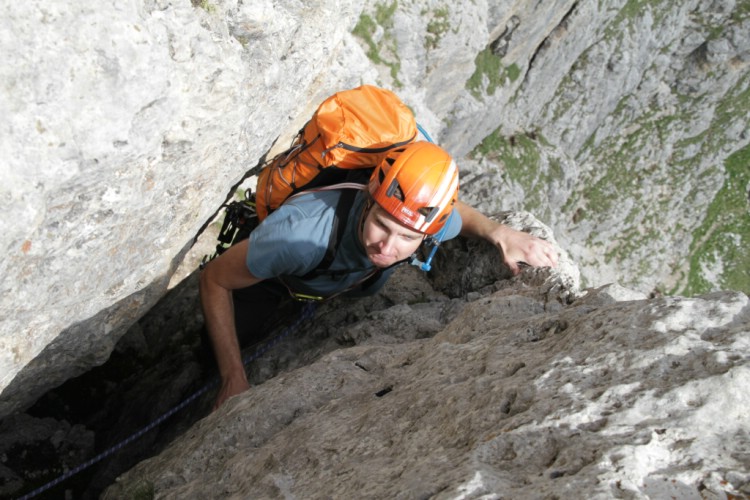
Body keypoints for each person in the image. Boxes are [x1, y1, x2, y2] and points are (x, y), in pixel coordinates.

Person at [200, 141, 558, 409]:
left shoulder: (418, 220)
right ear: (369, 201)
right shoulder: (300, 236)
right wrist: (233, 376)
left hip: (322, 281)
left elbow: (456, 216)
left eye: (407, 238)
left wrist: (500, 233)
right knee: (208, 354)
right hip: (271, 280)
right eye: (382, 226)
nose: (388, 247)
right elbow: (214, 280)